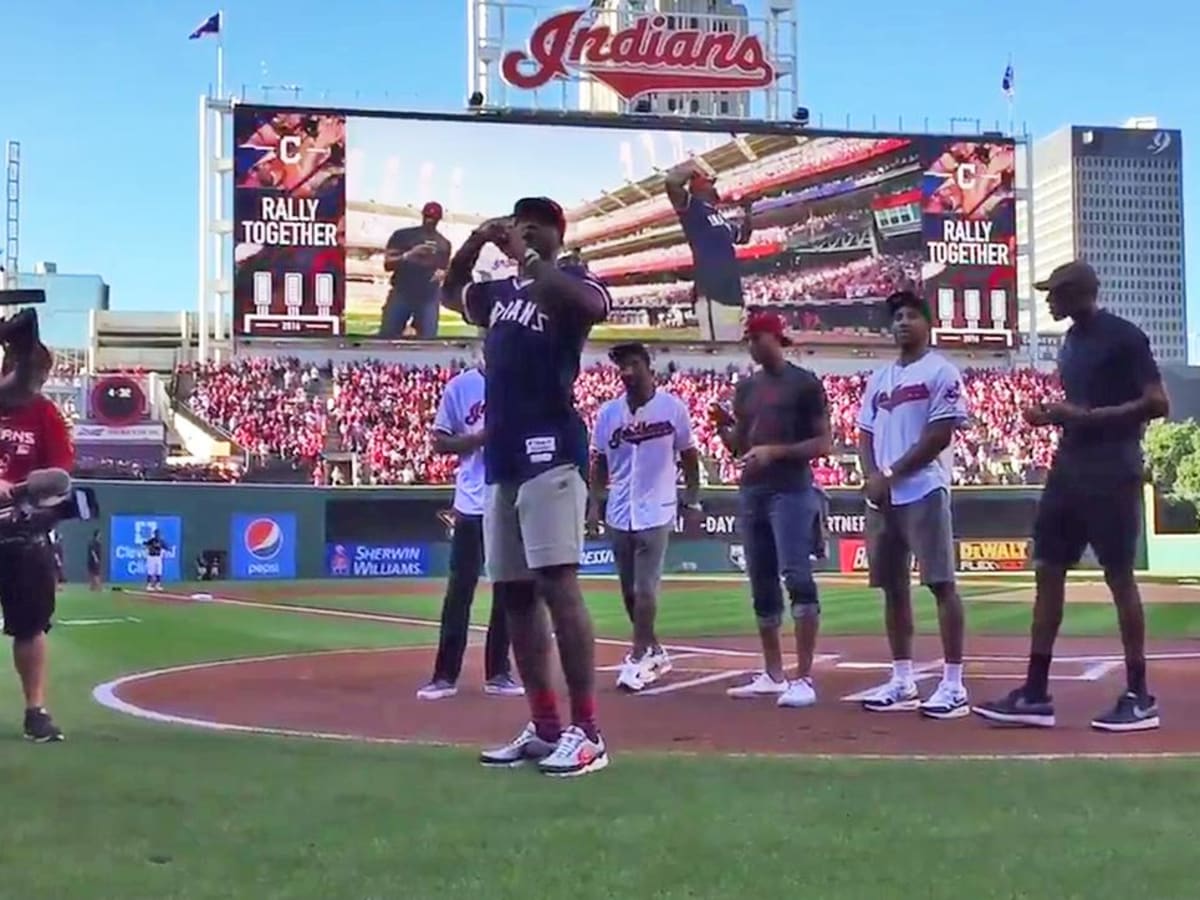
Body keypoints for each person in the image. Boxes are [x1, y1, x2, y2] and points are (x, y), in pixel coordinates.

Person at [441, 196, 611, 777]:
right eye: (519, 228)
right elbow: (451, 294)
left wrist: (530, 258)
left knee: (558, 585)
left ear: (557, 236)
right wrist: (473, 242)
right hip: (503, 459)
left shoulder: (570, 279)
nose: (524, 237)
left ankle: (586, 732)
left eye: (536, 230)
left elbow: (592, 307)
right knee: (514, 597)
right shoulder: (500, 296)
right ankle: (544, 726)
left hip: (552, 451)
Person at [974, 260, 1170, 732]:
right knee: (1048, 572)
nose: (1048, 300)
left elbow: (1158, 403)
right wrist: (1051, 416)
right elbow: (1077, 409)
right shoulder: (1071, 342)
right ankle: (1035, 693)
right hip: (1069, 467)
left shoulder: (1125, 336)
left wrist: (1083, 416)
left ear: (1080, 292)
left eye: (1054, 293)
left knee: (1120, 578)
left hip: (1113, 467)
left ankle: (1139, 695)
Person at [855, 290, 970, 719]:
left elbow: (940, 434)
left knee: (941, 584)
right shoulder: (879, 378)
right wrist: (872, 476)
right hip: (883, 497)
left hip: (923, 488)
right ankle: (902, 678)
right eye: (897, 316)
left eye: (911, 316)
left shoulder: (941, 371)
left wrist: (891, 474)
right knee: (893, 588)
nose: (902, 322)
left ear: (927, 324)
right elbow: (865, 432)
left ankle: (954, 684)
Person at [711, 311, 831, 708]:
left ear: (774, 338)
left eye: (756, 337)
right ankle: (774, 673)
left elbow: (822, 444)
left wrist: (774, 452)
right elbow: (740, 449)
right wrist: (724, 429)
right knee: (761, 580)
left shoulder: (804, 383)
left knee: (796, 573)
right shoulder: (745, 389)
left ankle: (805, 676)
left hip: (792, 489)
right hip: (753, 490)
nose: (750, 345)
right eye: (748, 339)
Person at [587, 342, 702, 693]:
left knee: (644, 587)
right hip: (620, 509)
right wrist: (594, 506)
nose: (627, 372)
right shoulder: (608, 413)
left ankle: (638, 656)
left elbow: (689, 456)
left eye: (633, 364)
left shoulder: (672, 408)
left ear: (648, 367)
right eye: (621, 366)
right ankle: (653, 648)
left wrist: (692, 500)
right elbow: (598, 463)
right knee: (628, 591)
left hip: (658, 507)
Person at [416, 358, 522, 701]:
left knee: (506, 589)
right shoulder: (461, 387)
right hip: (471, 501)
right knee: (459, 590)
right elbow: (440, 442)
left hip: (508, 498)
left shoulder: (524, 378)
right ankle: (444, 675)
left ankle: (499, 672)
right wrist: (479, 438)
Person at [0, 322, 73, 742]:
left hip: (20, 535)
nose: (38, 383)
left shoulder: (45, 413)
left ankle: (35, 710)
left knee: (30, 626)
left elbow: (59, 473)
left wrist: (32, 497)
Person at [664, 160, 753, 342]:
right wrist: (692, 169)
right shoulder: (692, 208)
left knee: (735, 342)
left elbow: (743, 237)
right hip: (713, 292)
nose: (713, 187)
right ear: (697, 188)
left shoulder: (719, 217)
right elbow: (671, 182)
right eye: (708, 182)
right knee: (719, 345)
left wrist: (748, 212)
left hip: (733, 293)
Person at [379, 201, 452, 339]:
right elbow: (388, 264)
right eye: (428, 216)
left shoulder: (444, 243)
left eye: (433, 218)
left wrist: (442, 274)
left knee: (428, 340)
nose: (430, 220)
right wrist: (409, 255)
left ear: (439, 219)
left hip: (429, 295)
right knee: (387, 337)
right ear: (422, 215)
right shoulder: (403, 235)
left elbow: (443, 269)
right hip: (402, 291)